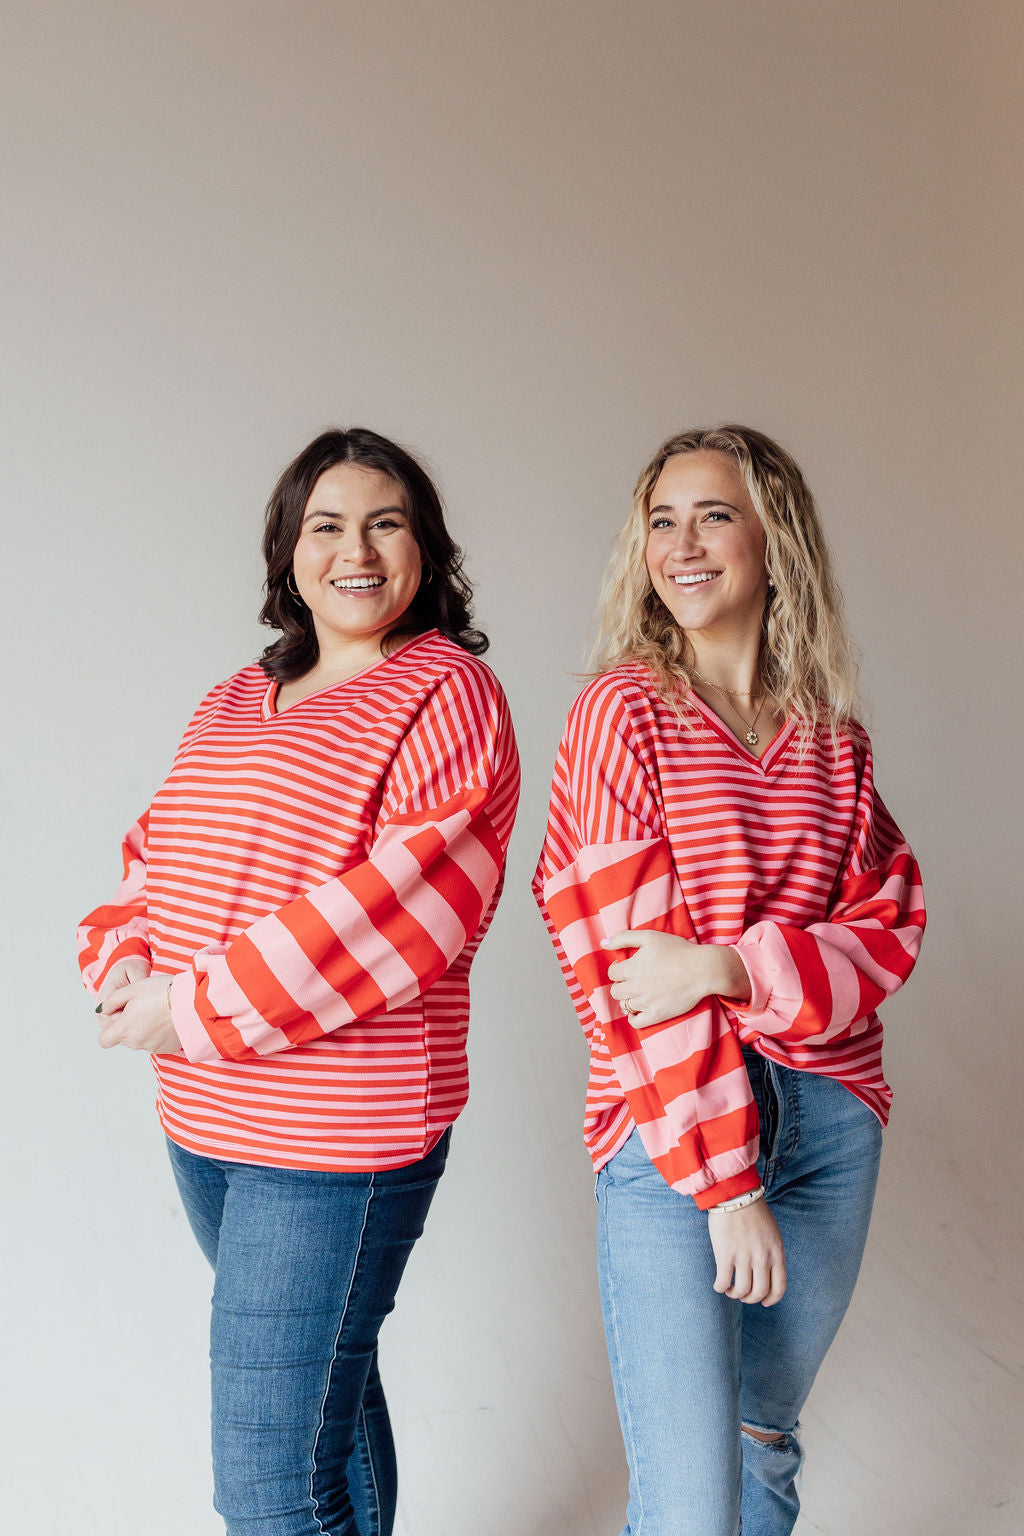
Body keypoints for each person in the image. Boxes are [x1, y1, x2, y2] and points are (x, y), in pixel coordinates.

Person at [78, 427, 520, 1536]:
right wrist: (126, 956)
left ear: (425, 547)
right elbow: (158, 848)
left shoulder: (448, 691)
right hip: (203, 1110)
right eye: (326, 525)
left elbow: (406, 905)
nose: (356, 550)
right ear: (288, 550)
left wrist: (190, 1004)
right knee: (329, 1396)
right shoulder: (237, 695)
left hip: (336, 1134)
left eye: (386, 522)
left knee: (269, 1485)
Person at [533, 425, 924, 1536]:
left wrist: (726, 964)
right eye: (661, 520)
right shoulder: (621, 715)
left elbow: (891, 924)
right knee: (690, 1510)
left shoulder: (828, 737)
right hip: (672, 1137)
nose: (682, 544)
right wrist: (726, 1185)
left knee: (762, 1447)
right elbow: (625, 976)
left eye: (713, 514)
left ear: (773, 538)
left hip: (832, 1124)